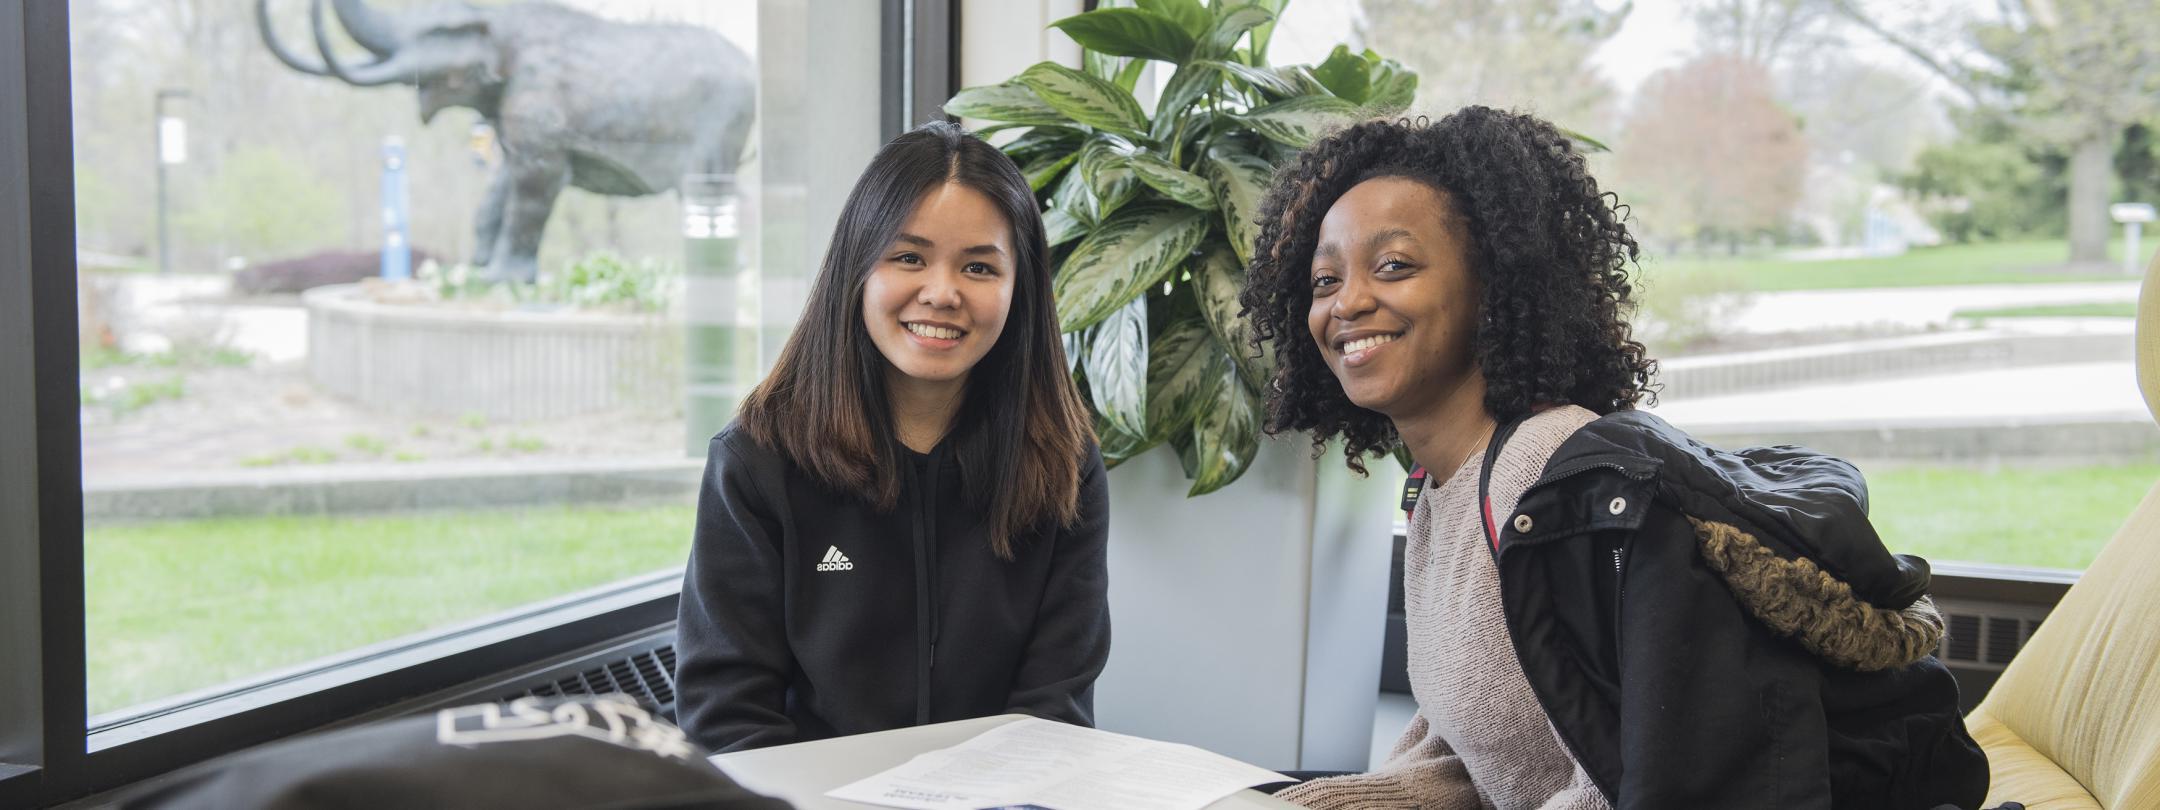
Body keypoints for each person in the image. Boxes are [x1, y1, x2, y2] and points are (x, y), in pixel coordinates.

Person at [1237, 107, 1988, 809]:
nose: (1349, 303)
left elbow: (1643, 779)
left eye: (1395, 265)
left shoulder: (1554, 481)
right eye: (1325, 280)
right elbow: (1469, 741)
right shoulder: (1441, 486)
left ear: (1493, 286)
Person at [674, 121, 1110, 753]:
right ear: (857, 268)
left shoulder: (1062, 464)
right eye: (908, 257)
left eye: (980, 267)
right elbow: (728, 718)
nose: (942, 293)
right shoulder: (757, 458)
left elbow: (1056, 709)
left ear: (1021, 290)